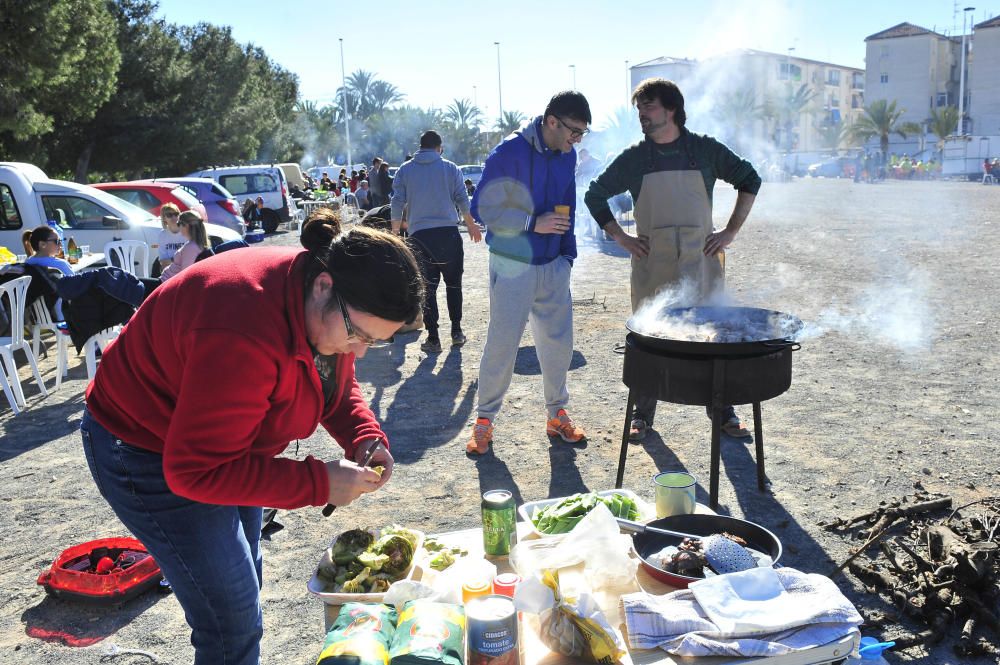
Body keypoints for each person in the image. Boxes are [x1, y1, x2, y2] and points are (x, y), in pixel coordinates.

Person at [81, 209, 423, 665]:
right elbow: (195, 470)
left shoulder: (325, 302)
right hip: (145, 447)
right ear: (324, 285)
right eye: (359, 335)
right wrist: (319, 482)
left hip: (223, 446)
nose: (359, 351)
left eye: (374, 342)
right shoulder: (242, 325)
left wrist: (363, 435)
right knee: (231, 617)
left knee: (243, 582)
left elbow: (334, 385)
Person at [584, 78, 762, 442]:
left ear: (671, 109)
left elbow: (750, 179)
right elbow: (594, 194)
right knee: (649, 339)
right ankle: (641, 414)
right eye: (639, 109)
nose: (642, 116)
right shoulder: (634, 158)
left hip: (702, 263)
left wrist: (729, 232)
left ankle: (722, 409)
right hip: (653, 267)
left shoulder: (705, 150)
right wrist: (621, 237)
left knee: (713, 334)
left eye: (648, 107)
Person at [466, 90, 592, 455]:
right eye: (573, 132)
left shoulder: (566, 155)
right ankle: (484, 422)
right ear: (552, 121)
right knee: (502, 345)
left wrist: (567, 255)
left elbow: (568, 202)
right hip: (512, 264)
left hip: (553, 265)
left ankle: (557, 415)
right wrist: (531, 222)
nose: (576, 141)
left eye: (582, 134)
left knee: (559, 346)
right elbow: (482, 207)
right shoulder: (509, 152)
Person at [391, 130, 483, 353]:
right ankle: (457, 332)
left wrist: (394, 234)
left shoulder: (405, 170)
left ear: (420, 147)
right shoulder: (450, 168)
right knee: (454, 285)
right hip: (448, 235)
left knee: (428, 289)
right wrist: (470, 225)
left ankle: (433, 338)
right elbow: (462, 198)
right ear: (439, 147)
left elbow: (397, 202)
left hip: (420, 238)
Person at [21, 226, 74, 326]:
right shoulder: (60, 264)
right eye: (57, 241)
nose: (60, 244)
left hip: (39, 317)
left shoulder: (28, 263)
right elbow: (76, 286)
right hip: (63, 315)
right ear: (42, 244)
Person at [160, 211, 210, 282]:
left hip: (166, 283)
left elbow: (185, 276)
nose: (178, 226)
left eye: (178, 224)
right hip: (166, 281)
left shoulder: (191, 248)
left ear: (186, 226)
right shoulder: (195, 244)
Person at [157, 203, 186, 273]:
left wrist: (171, 260)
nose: (173, 217)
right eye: (169, 215)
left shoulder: (187, 231)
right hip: (170, 272)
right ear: (164, 218)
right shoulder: (162, 235)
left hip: (186, 270)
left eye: (176, 214)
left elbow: (190, 258)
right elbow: (163, 262)